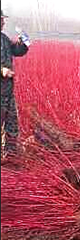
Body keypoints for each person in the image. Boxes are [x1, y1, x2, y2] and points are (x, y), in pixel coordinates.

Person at [1, 9, 29, 161]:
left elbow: (16, 51)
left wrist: (22, 43)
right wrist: (1, 70)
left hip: (7, 93)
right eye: (1, 19)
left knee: (12, 126)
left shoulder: (4, 39)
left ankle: (10, 157)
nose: (3, 22)